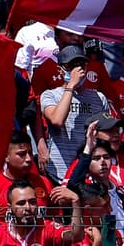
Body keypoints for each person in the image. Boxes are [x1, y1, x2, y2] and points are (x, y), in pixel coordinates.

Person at [40, 43, 113, 182]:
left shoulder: (99, 97)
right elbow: (57, 120)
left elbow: (105, 133)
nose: (78, 70)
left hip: (89, 173)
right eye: (72, 66)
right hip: (60, 173)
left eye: (81, 65)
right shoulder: (50, 95)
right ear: (60, 70)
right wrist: (71, 86)